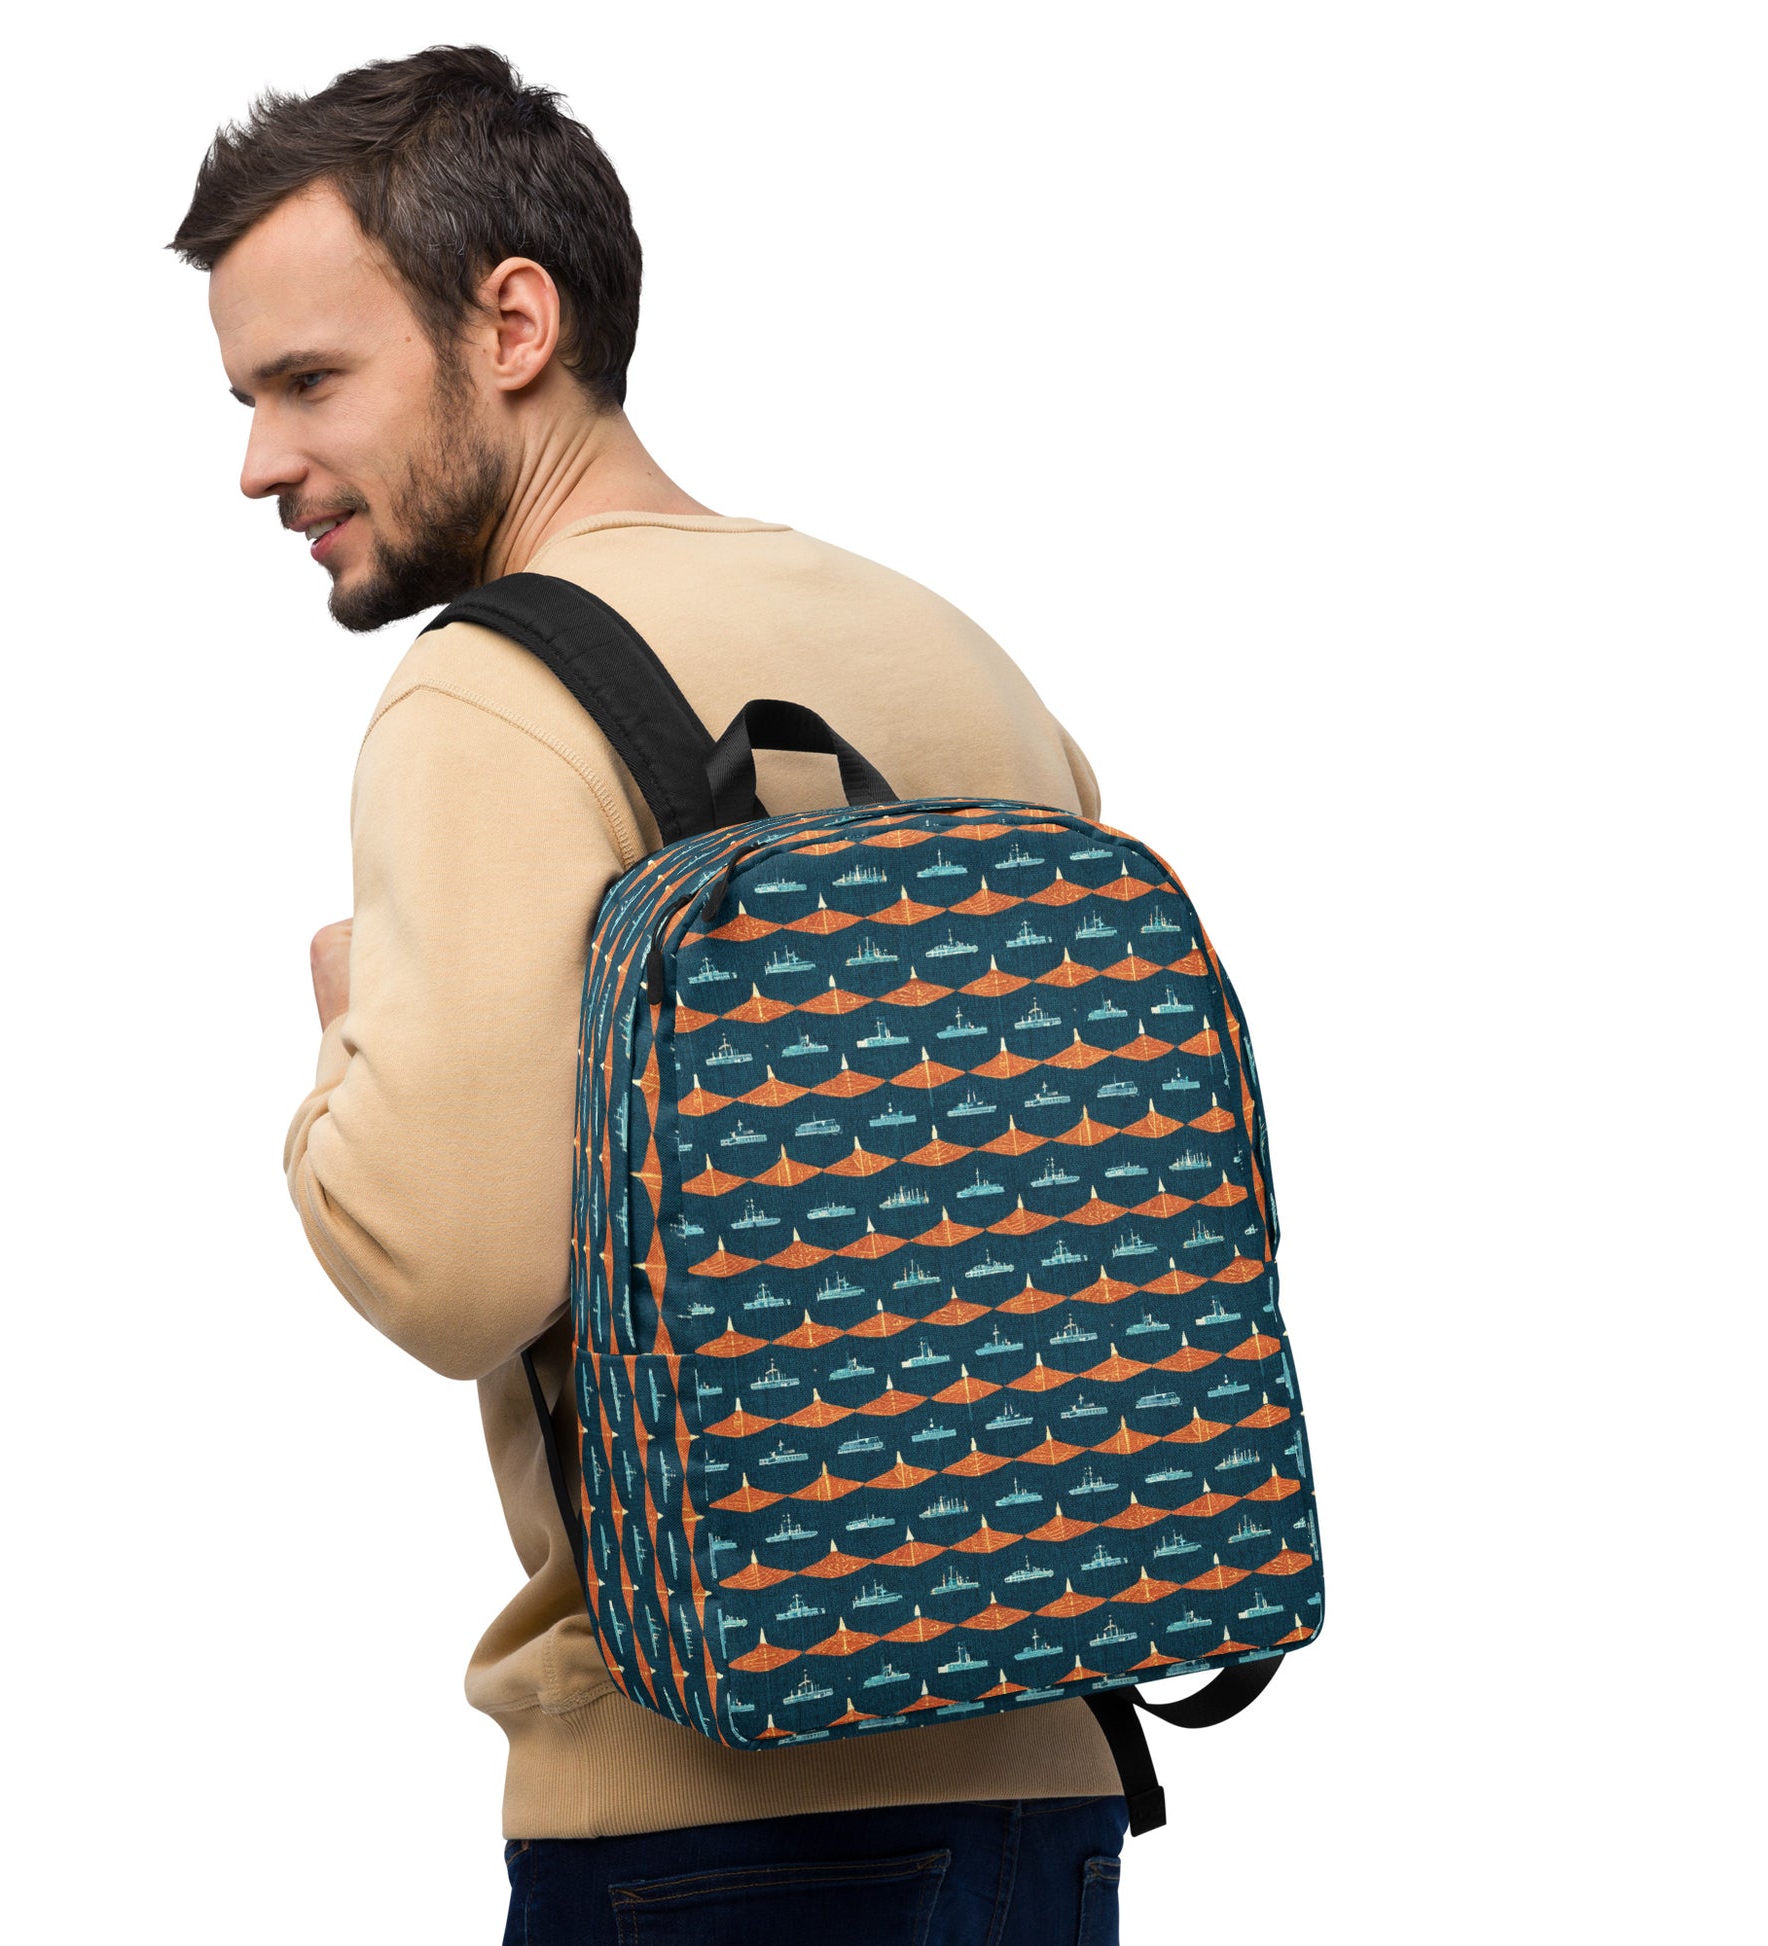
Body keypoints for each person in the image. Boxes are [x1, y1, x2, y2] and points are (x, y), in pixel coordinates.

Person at [171, 43, 1126, 1943]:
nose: (259, 461)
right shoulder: (941, 646)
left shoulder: (490, 694)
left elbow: (453, 1266)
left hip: (698, 1803)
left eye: (308, 380)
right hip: (1042, 1768)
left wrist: (344, 1028)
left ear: (512, 323)